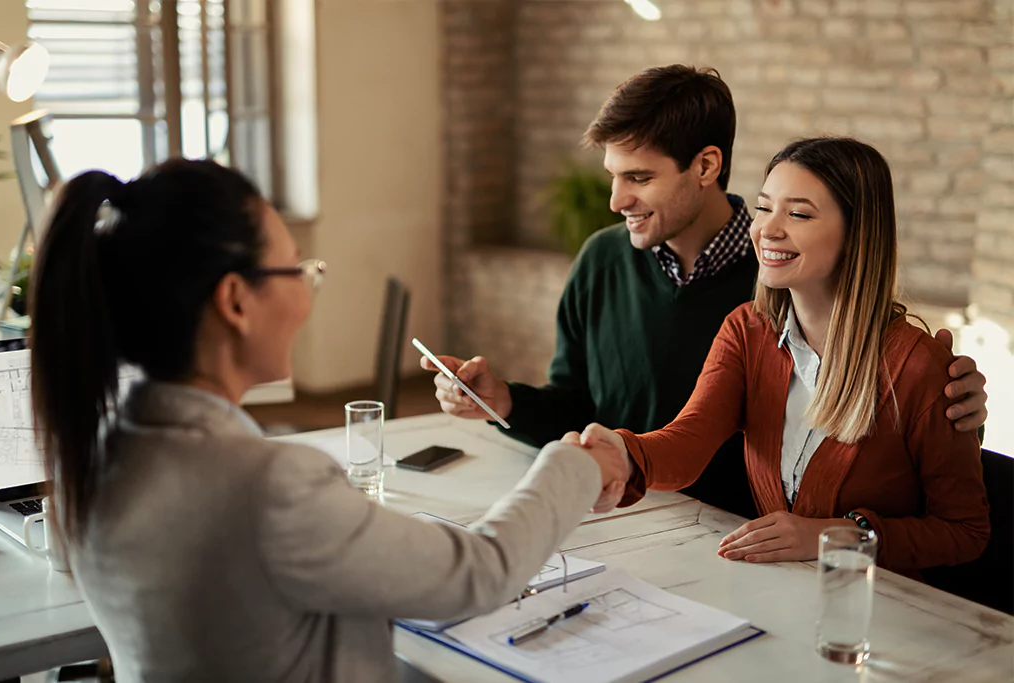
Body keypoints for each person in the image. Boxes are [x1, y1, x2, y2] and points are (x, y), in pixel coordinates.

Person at [29, 159, 628, 683]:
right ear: (236, 301)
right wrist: (574, 465)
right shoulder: (270, 487)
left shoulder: (93, 455)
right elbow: (482, 572)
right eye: (295, 269)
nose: (307, 292)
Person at [422, 65, 989, 520]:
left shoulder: (783, 279)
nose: (616, 200)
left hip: (742, 530)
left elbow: (913, 463)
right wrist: (506, 402)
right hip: (629, 506)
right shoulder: (608, 263)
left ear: (706, 166)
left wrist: (954, 404)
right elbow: (602, 411)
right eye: (612, 176)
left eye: (639, 177)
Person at [576, 137, 990, 576]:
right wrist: (620, 452)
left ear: (857, 234)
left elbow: (965, 531)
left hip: (880, 616)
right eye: (764, 207)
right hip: (781, 594)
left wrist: (833, 536)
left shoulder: (921, 368)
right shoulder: (747, 330)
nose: (767, 229)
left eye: (798, 213)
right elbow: (688, 440)